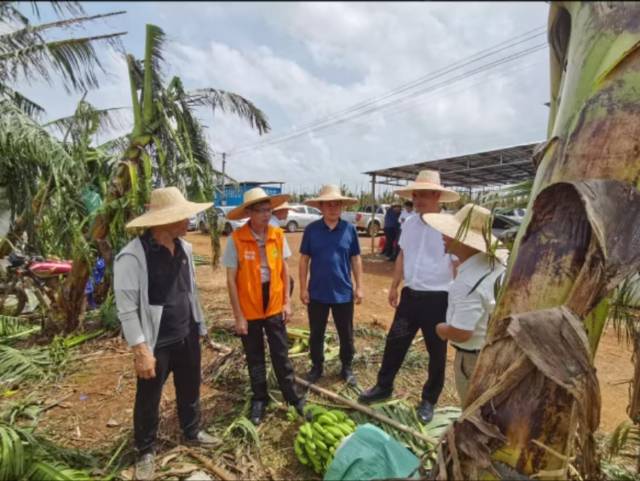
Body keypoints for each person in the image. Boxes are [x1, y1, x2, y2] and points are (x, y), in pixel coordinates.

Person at [114, 187, 218, 481]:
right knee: (148, 397)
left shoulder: (184, 248)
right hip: (156, 341)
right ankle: (146, 451)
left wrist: (200, 326)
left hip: (186, 333)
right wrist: (140, 349)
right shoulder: (132, 256)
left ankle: (192, 430)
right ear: (164, 220)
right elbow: (126, 309)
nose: (190, 221)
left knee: (190, 387)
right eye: (184, 216)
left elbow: (190, 291)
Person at [358, 170, 459, 424]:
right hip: (410, 296)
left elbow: (457, 263)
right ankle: (383, 386)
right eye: (415, 194)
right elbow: (403, 254)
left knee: (436, 352)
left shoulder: (451, 226)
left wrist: (457, 298)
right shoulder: (410, 223)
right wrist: (394, 286)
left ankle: (429, 400)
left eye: (423, 194)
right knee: (395, 342)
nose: (417, 199)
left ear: (437, 196)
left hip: (438, 298)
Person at [223, 188, 305, 425]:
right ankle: (260, 397)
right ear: (249, 212)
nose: (265, 215)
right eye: (260, 210)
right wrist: (238, 316)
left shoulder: (277, 235)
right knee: (255, 356)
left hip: (274, 302)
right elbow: (230, 279)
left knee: (281, 353)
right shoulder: (236, 239)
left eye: (268, 210)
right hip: (249, 306)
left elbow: (283, 268)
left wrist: (287, 302)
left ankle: (291, 395)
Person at [424, 204, 506, 405]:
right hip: (496, 351)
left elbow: (462, 332)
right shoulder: (495, 264)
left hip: (472, 360)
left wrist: (441, 329)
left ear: (463, 240)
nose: (443, 236)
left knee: (472, 409)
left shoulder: (467, 281)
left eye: (449, 233)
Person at [299, 185, 364, 386]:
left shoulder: (349, 230)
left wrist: (359, 286)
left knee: (346, 333)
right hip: (317, 292)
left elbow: (356, 259)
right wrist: (303, 288)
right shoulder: (311, 230)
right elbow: (304, 260)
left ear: (342, 207)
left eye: (337, 204)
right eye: (328, 204)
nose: (333, 208)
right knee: (316, 333)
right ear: (321, 207)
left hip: (343, 293)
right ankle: (317, 367)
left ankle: (346, 367)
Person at [270, 202, 295, 296]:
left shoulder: (271, 223)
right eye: (286, 210)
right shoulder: (275, 227)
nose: (288, 212)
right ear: (279, 211)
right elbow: (284, 256)